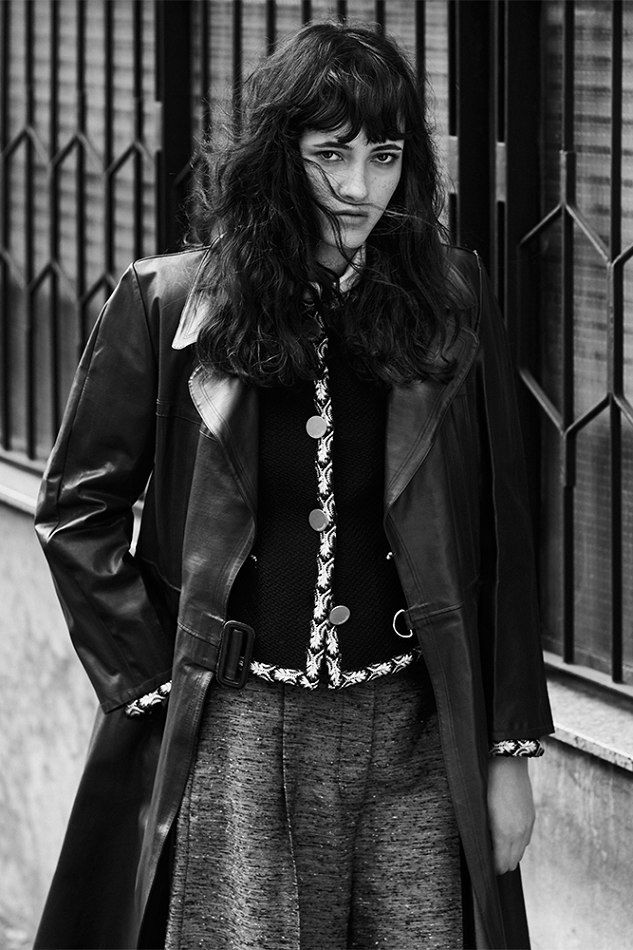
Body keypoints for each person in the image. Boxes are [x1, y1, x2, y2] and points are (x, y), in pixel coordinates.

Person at [33, 20, 553, 950]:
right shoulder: (168, 302)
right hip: (237, 731)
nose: (359, 188)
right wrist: (151, 681)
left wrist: (508, 751)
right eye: (330, 155)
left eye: (384, 157)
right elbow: (79, 508)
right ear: (280, 157)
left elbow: (502, 535)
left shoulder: (453, 300)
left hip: (413, 732)